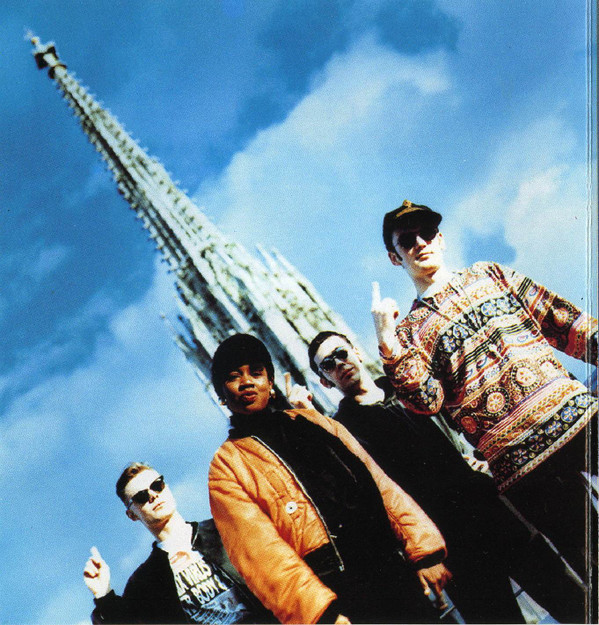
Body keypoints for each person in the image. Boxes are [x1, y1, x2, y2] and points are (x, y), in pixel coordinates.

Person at [372, 199, 598, 586]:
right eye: (407, 240)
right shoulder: (408, 333)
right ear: (396, 258)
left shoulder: (488, 274)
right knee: (591, 557)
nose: (420, 243)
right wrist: (388, 343)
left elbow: (561, 320)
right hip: (521, 463)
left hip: (578, 416)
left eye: (427, 233)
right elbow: (426, 401)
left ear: (441, 238)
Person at [294, 330, 587, 623]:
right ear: (324, 381)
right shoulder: (343, 429)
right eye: (328, 364)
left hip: (491, 510)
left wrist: (480, 457)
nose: (339, 364)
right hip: (449, 543)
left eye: (341, 353)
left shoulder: (407, 384)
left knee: (571, 600)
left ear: (355, 351)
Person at [208, 333, 452, 624]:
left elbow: (379, 484)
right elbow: (261, 553)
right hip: (337, 597)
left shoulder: (316, 423)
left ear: (270, 382)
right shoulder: (227, 466)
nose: (247, 382)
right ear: (221, 393)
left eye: (256, 372)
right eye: (233, 377)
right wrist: (320, 615)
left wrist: (425, 553)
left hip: (391, 567)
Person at [83, 462, 273, 624]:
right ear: (132, 514)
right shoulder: (145, 582)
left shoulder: (225, 529)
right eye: (141, 497)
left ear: (166, 487)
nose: (153, 495)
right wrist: (103, 595)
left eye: (157, 485)